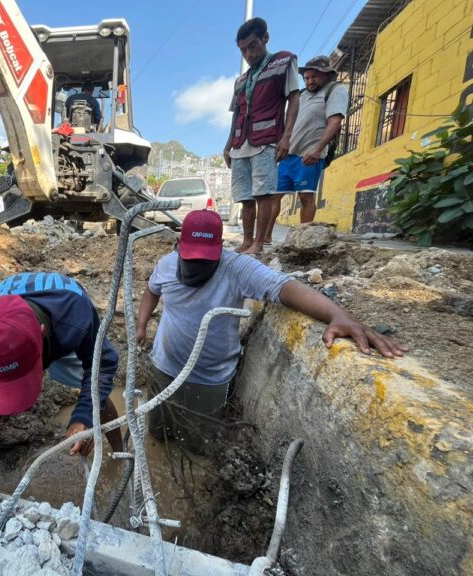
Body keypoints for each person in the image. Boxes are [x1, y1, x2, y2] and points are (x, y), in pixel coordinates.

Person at [136, 210, 407, 453]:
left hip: (210, 378)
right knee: (159, 435)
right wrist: (141, 325)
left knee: (199, 444)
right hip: (165, 367)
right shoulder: (166, 265)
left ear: (220, 250)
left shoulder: (236, 268)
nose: (197, 266)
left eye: (206, 259)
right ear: (179, 246)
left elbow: (286, 288)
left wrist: (338, 315)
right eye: (192, 258)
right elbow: (152, 290)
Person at [0, 272, 123, 484]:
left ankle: (120, 453)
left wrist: (84, 418)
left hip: (59, 331)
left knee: (96, 396)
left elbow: (102, 366)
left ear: (41, 333)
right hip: (14, 335)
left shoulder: (75, 317)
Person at [223, 17, 300, 255]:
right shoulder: (241, 80)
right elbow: (236, 114)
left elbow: (293, 98)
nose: (249, 54)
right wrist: (227, 146)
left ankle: (259, 242)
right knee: (245, 196)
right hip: (240, 143)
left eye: (253, 46)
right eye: (243, 50)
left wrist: (286, 137)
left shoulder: (282, 61)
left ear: (265, 39)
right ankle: (247, 241)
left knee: (263, 194)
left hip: (266, 139)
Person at [267, 55, 348, 231]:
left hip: (309, 155)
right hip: (288, 155)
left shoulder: (335, 90)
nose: (310, 81)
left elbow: (335, 122)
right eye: (307, 78)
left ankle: (303, 237)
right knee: (273, 196)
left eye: (314, 77)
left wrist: (318, 150)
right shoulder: (302, 95)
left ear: (326, 75)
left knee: (306, 197)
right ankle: (265, 238)